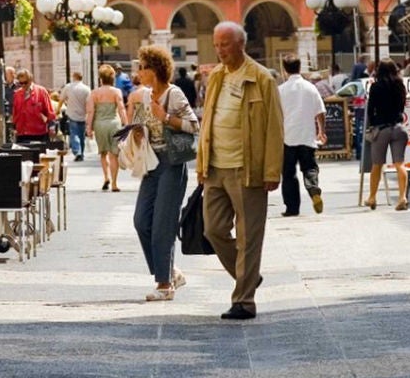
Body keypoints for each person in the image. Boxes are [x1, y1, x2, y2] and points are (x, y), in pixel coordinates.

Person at [195, 21, 284, 321]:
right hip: (216, 166)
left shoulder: (261, 78)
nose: (219, 50)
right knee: (213, 229)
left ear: (241, 44)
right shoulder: (216, 76)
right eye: (216, 44)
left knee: (248, 237)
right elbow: (207, 120)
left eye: (225, 44)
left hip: (248, 168)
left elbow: (274, 126)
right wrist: (201, 163)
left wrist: (272, 170)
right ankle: (247, 275)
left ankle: (244, 301)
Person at [129, 46, 198, 302]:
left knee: (162, 225)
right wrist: (136, 132)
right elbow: (140, 124)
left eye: (143, 67)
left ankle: (164, 284)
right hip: (152, 163)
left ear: (155, 69)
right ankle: (170, 271)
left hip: (172, 163)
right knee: (141, 221)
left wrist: (166, 117)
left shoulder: (174, 94)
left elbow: (194, 125)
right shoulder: (144, 96)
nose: (139, 72)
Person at [276, 55, 327, 217]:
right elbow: (320, 112)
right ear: (300, 68)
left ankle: (292, 208)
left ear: (284, 70)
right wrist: (321, 131)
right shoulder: (310, 88)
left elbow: (276, 115)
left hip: (287, 137)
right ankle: (313, 190)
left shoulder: (281, 90)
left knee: (289, 174)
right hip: (307, 136)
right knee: (310, 168)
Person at [363, 59, 410, 211]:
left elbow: (371, 109)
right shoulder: (400, 86)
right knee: (400, 164)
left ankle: (372, 197)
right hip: (399, 128)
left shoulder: (376, 87)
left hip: (382, 128)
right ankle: (402, 197)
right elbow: (402, 106)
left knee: (377, 165)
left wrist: (371, 125)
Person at [90, 64, 126, 190]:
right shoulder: (116, 92)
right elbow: (121, 108)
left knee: (103, 153)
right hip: (114, 124)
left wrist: (88, 128)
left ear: (101, 79)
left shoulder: (94, 93)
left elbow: (90, 112)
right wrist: (126, 124)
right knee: (114, 154)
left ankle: (106, 177)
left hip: (99, 124)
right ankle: (115, 183)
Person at [10, 69, 56, 141]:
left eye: (25, 82)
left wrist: (52, 126)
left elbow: (49, 110)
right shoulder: (17, 94)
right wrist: (14, 128)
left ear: (30, 80)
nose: (23, 85)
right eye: (21, 83)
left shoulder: (41, 91)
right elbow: (15, 112)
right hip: (22, 133)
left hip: (39, 133)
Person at [61, 71, 94, 161]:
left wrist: (57, 110)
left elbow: (61, 99)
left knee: (74, 133)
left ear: (74, 77)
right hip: (83, 114)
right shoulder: (87, 89)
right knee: (81, 135)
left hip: (72, 114)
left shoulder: (68, 87)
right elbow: (89, 103)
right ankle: (81, 153)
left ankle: (77, 151)